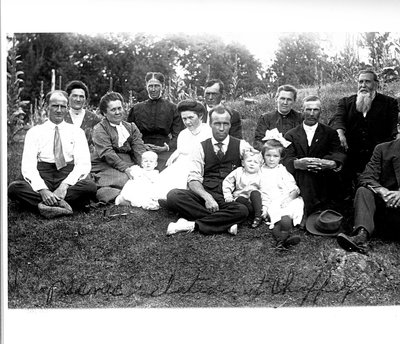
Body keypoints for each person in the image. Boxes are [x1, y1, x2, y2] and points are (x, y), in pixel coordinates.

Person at [8, 90, 97, 218]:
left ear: (67, 108)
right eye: (55, 106)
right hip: (43, 173)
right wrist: (42, 190)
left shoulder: (77, 132)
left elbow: (82, 165)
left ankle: (43, 204)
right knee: (14, 188)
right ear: (47, 107)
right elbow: (28, 166)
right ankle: (62, 203)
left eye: (63, 107)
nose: (59, 110)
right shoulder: (35, 132)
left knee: (90, 187)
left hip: (66, 173)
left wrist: (64, 186)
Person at [165, 105, 252, 236]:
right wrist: (207, 197)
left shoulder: (242, 145)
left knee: (243, 210)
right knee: (173, 196)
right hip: (205, 194)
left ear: (230, 125)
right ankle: (225, 222)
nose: (221, 128)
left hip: (228, 197)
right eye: (217, 124)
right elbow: (193, 179)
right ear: (210, 124)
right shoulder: (200, 147)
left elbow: (257, 167)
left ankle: (191, 224)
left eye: (225, 124)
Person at [330, 69, 399, 197]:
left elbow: (395, 126)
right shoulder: (346, 102)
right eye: (360, 82)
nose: (363, 85)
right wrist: (340, 133)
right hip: (352, 152)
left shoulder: (389, 103)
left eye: (367, 82)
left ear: (376, 84)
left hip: (377, 155)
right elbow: (338, 119)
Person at [337, 116, 400, 254]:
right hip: (386, 210)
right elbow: (367, 177)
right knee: (363, 191)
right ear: (399, 128)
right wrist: (382, 191)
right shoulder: (383, 149)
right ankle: (361, 236)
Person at [283, 95, 346, 215]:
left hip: (323, 178)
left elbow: (338, 153)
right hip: (300, 179)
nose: (312, 114)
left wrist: (332, 163)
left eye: (315, 110)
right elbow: (286, 158)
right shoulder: (290, 135)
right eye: (308, 110)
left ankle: (324, 211)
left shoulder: (330, 133)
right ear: (302, 111)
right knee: (305, 174)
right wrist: (297, 163)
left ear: (320, 112)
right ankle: (311, 212)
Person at [91, 92, 147, 203]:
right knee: (126, 179)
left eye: (119, 108)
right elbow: (107, 153)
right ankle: (116, 196)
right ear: (104, 113)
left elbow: (139, 149)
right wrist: (126, 169)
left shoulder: (131, 127)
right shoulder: (100, 129)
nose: (118, 112)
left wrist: (145, 166)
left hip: (128, 162)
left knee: (143, 176)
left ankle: (124, 194)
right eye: (113, 110)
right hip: (105, 164)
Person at [155, 99, 212, 200]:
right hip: (181, 165)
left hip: (199, 167)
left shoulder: (208, 132)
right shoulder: (183, 134)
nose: (187, 122)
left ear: (200, 116)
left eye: (191, 117)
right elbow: (180, 153)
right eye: (184, 119)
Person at [127, 72, 183, 171]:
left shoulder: (172, 108)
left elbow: (178, 134)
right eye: (150, 86)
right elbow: (129, 133)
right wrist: (141, 146)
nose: (153, 89)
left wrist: (166, 148)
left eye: (156, 86)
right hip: (141, 149)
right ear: (146, 87)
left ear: (163, 87)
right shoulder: (136, 109)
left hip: (164, 149)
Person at [260, 137, 304, 248]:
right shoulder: (260, 171)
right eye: (268, 155)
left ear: (280, 158)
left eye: (275, 156)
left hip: (285, 198)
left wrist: (289, 199)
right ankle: (282, 239)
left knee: (288, 212)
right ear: (263, 156)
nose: (271, 159)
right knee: (278, 218)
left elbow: (294, 188)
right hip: (271, 201)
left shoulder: (282, 170)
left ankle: (283, 237)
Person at [253, 84, 302, 151]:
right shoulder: (265, 118)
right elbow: (258, 142)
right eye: (282, 98)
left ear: (294, 101)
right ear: (276, 99)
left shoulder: (301, 118)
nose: (285, 102)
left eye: (289, 99)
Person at [222, 150, 264, 228]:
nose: (252, 164)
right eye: (249, 161)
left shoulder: (261, 174)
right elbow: (227, 182)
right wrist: (227, 195)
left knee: (255, 193)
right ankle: (251, 215)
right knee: (240, 199)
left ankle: (258, 216)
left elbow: (264, 189)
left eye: (256, 162)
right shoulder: (238, 171)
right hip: (241, 198)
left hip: (254, 200)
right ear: (243, 163)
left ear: (260, 165)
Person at [64, 80, 102, 150]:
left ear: (85, 99)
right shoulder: (62, 117)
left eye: (81, 96)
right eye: (75, 96)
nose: (78, 99)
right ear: (68, 97)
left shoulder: (94, 119)